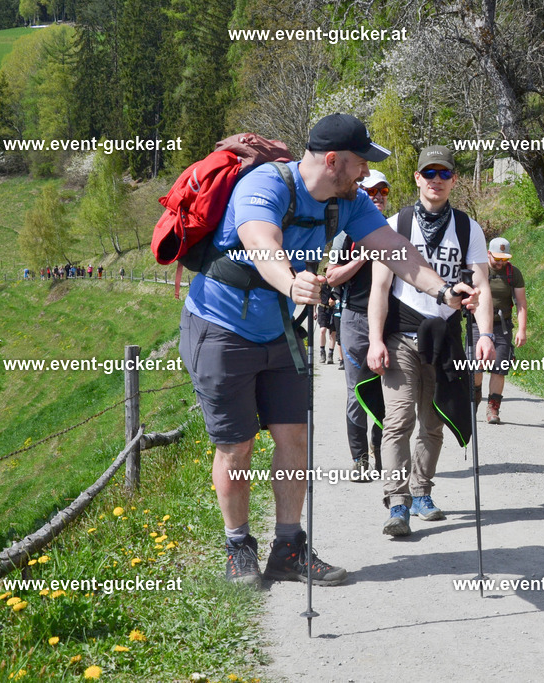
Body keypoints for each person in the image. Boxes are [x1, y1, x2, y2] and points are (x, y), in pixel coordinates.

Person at [179, 115, 480, 585]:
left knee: (295, 439)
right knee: (236, 445)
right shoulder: (264, 185)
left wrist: (443, 292)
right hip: (221, 327)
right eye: (362, 163)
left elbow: (395, 249)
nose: (366, 173)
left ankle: (289, 548)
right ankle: (238, 546)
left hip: (279, 333)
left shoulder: (350, 202)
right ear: (334, 160)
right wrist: (290, 281)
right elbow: (261, 243)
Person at [367, 144, 495, 536]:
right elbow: (379, 288)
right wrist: (375, 340)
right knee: (399, 419)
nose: (436, 180)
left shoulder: (467, 227)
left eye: (444, 174)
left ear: (454, 180)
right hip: (402, 336)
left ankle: (422, 491)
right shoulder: (395, 224)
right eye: (429, 173)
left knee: (433, 421)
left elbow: (482, 286)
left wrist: (486, 333)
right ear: (417, 178)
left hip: (444, 340)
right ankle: (398, 502)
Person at [325, 170, 390, 479]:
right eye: (372, 190)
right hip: (354, 318)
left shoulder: (393, 231)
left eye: (384, 191)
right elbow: (331, 276)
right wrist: (361, 259)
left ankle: (379, 453)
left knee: (385, 390)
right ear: (361, 193)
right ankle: (359, 458)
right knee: (356, 390)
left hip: (390, 320)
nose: (378, 195)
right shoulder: (347, 233)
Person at [470, 237, 527, 424]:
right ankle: (475, 393)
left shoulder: (513, 273)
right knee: (476, 365)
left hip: (502, 326)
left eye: (505, 259)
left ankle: (493, 408)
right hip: (477, 324)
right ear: (488, 254)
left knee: (499, 367)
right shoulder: (478, 271)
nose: (501, 262)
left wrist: (522, 330)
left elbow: (521, 303)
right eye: (497, 259)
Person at [317, 285, 336, 364]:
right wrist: (314, 311)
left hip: (333, 309)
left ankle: (330, 355)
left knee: (332, 333)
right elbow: (316, 297)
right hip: (322, 308)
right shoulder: (322, 285)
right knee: (322, 330)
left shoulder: (336, 284)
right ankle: (322, 352)